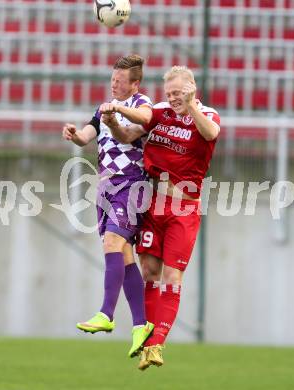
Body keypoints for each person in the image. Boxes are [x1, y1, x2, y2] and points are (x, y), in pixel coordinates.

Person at [100, 65, 221, 370]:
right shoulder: (161, 112)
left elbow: (212, 133)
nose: (173, 98)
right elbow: (129, 134)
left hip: (184, 209)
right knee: (149, 271)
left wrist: (190, 105)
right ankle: (146, 336)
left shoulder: (207, 114)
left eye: (178, 92)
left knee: (172, 277)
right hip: (155, 204)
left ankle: (157, 345)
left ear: (192, 88)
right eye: (169, 93)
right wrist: (115, 120)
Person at [62, 54, 154, 358]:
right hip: (106, 188)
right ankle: (141, 324)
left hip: (132, 185)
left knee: (113, 242)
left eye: (119, 82)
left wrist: (114, 118)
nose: (113, 85)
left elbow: (128, 133)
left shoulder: (143, 107)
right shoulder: (103, 108)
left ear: (134, 84)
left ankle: (106, 314)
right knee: (124, 256)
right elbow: (87, 136)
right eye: (112, 80)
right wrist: (75, 135)